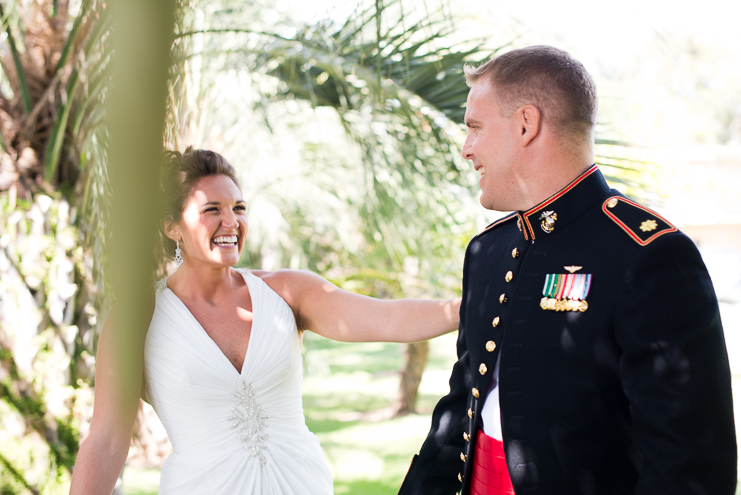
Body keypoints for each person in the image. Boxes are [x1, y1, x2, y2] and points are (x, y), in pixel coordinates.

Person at [398, 45, 736, 495]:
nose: (466, 149)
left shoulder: (648, 255)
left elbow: (689, 467)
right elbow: (461, 410)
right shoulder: (489, 249)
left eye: (475, 128)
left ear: (525, 125)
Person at [69, 148, 461, 494]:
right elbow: (105, 442)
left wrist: (476, 306)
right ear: (172, 227)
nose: (231, 222)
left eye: (239, 208)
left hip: (303, 484)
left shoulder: (287, 292)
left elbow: (387, 319)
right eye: (212, 210)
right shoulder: (138, 318)